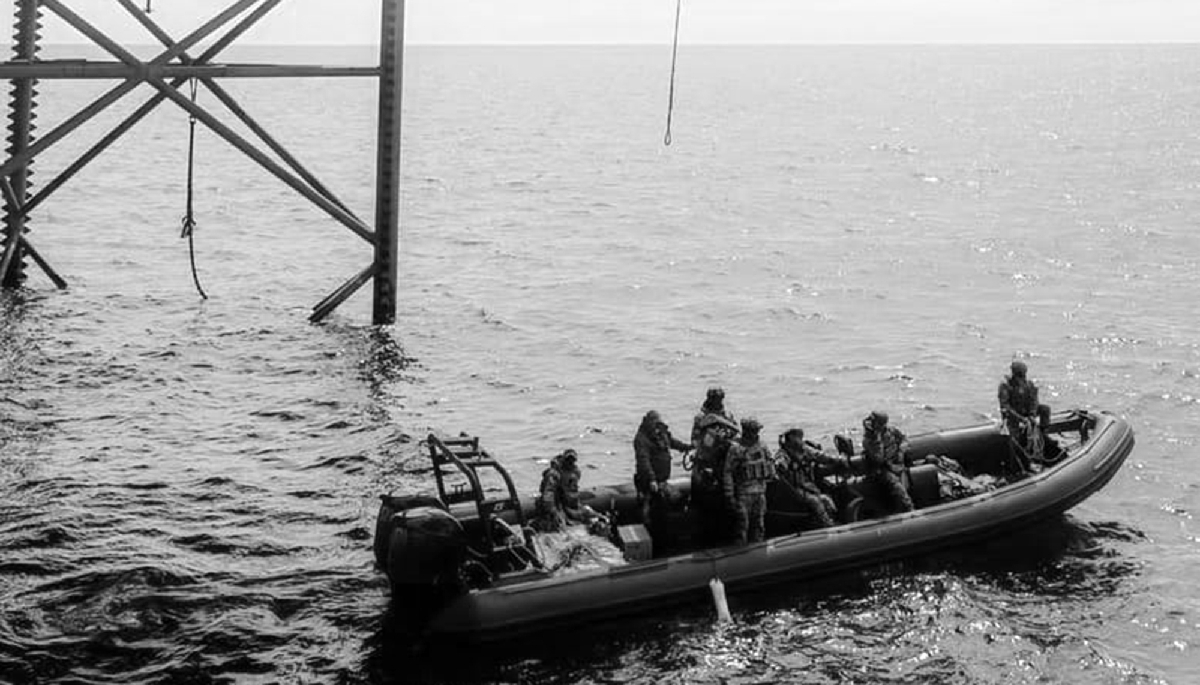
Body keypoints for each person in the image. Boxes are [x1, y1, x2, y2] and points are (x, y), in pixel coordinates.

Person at [774, 427, 847, 529]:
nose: (801, 439)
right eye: (798, 437)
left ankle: (831, 521)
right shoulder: (783, 454)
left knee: (827, 500)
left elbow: (820, 456)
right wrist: (780, 465)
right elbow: (779, 464)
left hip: (809, 487)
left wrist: (837, 460)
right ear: (791, 438)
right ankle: (827, 525)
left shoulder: (804, 449)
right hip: (795, 489)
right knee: (815, 502)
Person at [633, 410, 692, 537]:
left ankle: (665, 530)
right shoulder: (641, 439)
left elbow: (672, 442)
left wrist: (687, 447)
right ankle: (648, 533)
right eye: (654, 423)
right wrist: (652, 479)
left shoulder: (662, 433)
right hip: (649, 482)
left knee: (669, 504)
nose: (656, 427)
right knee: (648, 510)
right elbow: (644, 461)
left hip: (662, 480)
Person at [723, 418, 775, 544]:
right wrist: (729, 494)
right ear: (746, 431)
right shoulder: (736, 449)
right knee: (742, 525)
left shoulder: (762, 446)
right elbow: (728, 472)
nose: (756, 434)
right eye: (753, 431)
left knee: (759, 524)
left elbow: (770, 462)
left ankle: (758, 547)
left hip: (760, 491)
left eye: (757, 431)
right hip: (744, 492)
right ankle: (740, 551)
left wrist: (772, 474)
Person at [998, 360, 1052, 467]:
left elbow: (1034, 401)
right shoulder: (1005, 386)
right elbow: (1005, 406)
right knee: (1013, 438)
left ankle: (1042, 434)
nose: (1021, 378)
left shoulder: (1029, 385)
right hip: (1013, 416)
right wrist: (1020, 418)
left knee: (1045, 409)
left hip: (1026, 413)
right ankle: (1016, 462)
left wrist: (1032, 415)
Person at [861, 411, 914, 514]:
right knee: (897, 488)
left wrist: (901, 450)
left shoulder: (892, 431)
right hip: (882, 470)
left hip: (896, 464)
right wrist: (877, 439)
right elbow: (878, 458)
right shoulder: (869, 439)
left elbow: (904, 439)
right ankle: (908, 508)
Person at [534, 449, 592, 532]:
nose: (570, 462)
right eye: (568, 460)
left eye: (572, 460)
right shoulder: (554, 473)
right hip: (559, 503)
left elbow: (573, 490)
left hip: (569, 504)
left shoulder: (574, 472)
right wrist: (553, 511)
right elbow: (548, 494)